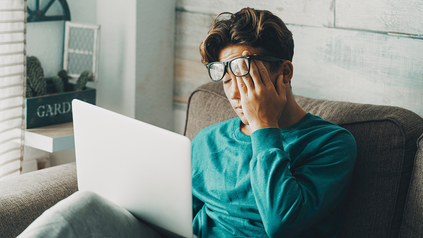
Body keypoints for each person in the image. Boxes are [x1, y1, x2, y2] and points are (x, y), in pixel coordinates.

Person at [18, 7, 356, 238]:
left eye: (244, 71)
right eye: (225, 78)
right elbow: (175, 217)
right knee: (86, 206)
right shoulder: (208, 141)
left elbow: (282, 222)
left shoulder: (331, 143)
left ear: (284, 72)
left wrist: (263, 126)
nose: (235, 92)